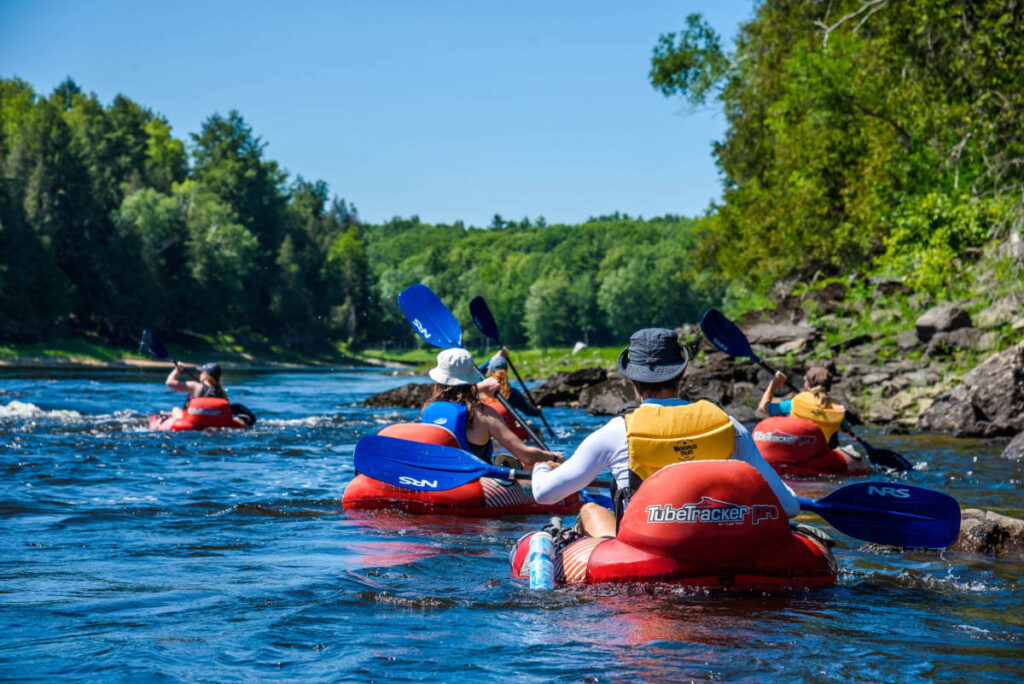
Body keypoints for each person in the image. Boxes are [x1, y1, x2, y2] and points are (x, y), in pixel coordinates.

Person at [530, 328, 800, 539]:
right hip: (720, 550)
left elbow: (544, 494)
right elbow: (788, 507)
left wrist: (541, 468)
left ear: (631, 379)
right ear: (683, 371)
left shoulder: (616, 433)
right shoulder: (729, 426)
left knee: (590, 510)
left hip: (649, 555)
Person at [424, 348, 561, 468]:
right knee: (545, 465)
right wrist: (554, 457)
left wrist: (481, 388)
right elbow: (527, 456)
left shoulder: (428, 409)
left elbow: (453, 397)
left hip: (437, 480)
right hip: (475, 483)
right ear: (471, 380)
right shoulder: (484, 414)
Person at [757, 366, 847, 448]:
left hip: (799, 454)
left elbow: (763, 407)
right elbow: (846, 429)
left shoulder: (794, 403)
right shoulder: (837, 409)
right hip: (823, 457)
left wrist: (775, 383)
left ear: (807, 384)